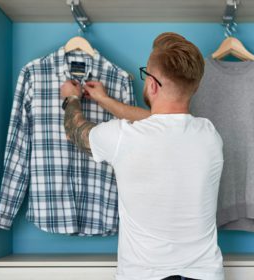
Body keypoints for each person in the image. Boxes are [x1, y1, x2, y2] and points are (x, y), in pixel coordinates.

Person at [60, 32, 225, 280]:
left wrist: (70, 99)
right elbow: (164, 124)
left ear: (152, 84)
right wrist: (105, 100)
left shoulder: (123, 138)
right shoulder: (210, 135)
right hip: (205, 275)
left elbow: (76, 130)